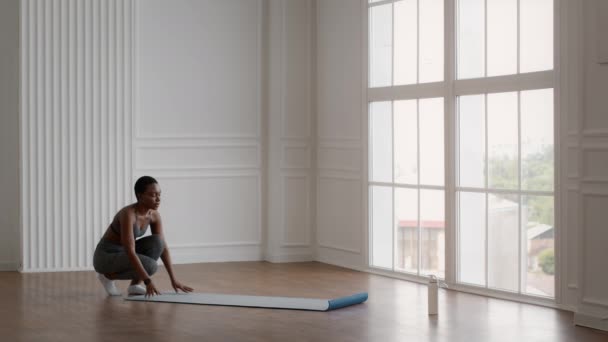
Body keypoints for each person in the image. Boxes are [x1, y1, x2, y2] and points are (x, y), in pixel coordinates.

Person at [93, 176, 193, 297]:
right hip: (106, 256)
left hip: (123, 254)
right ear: (140, 196)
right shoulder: (128, 214)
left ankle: (134, 285)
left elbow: (163, 247)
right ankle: (106, 276)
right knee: (151, 266)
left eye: (159, 194)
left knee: (158, 242)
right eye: (153, 195)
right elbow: (130, 250)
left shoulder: (154, 215)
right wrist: (148, 281)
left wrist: (173, 279)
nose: (158, 199)